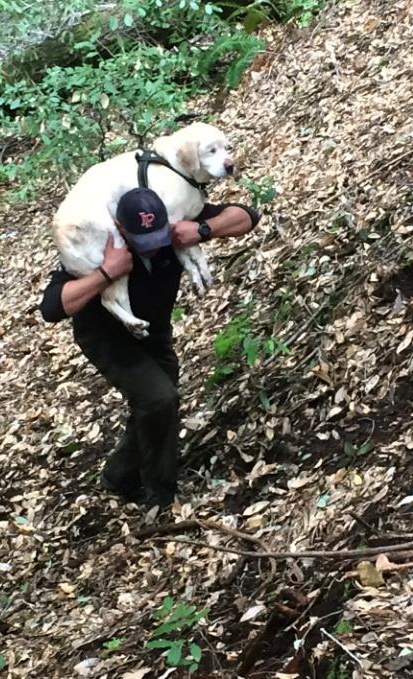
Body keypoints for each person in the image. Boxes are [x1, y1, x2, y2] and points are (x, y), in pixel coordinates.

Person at [40, 187, 259, 506]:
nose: (154, 250)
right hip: (106, 337)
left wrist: (201, 230)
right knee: (159, 399)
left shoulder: (174, 224)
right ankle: (160, 495)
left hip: (154, 333)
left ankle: (119, 474)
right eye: (143, 243)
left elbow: (247, 216)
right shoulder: (99, 244)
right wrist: (106, 273)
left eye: (158, 238)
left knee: (158, 403)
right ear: (119, 226)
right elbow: (51, 308)